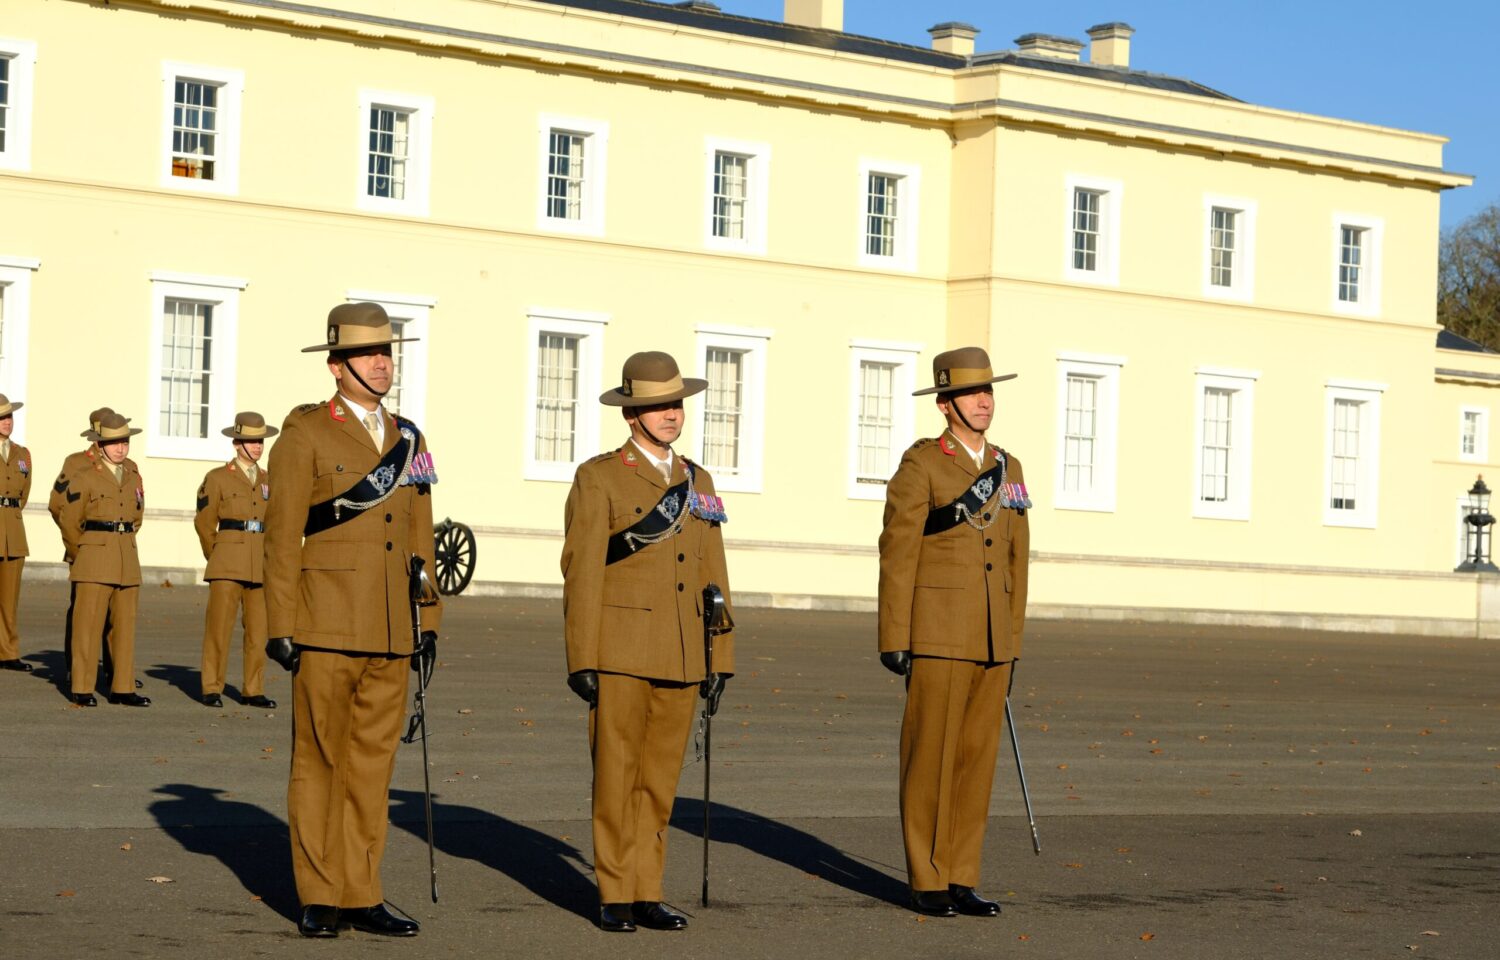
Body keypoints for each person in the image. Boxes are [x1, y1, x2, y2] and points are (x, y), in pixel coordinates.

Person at [263, 302, 441, 939]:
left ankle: (362, 890)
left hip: (393, 626)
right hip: (326, 621)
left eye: (388, 352)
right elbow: (281, 536)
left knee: (372, 767)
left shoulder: (410, 438)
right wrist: (279, 622)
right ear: (336, 366)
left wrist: (431, 617)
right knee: (318, 762)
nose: (382, 362)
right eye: (368, 354)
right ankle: (319, 893)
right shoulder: (306, 434)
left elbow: (421, 532)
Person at [561, 350, 735, 933]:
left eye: (676, 403)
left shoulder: (697, 479)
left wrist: (722, 653)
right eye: (657, 405)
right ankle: (613, 891)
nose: (670, 413)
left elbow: (715, 569)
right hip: (620, 648)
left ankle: (647, 889)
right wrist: (582, 656)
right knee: (616, 776)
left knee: (660, 781)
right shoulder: (600, 476)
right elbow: (581, 570)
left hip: (685, 649)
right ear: (631, 413)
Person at [877, 346, 1031, 918]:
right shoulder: (923, 466)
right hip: (937, 630)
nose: (984, 401)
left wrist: (1011, 637)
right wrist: (895, 634)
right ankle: (927, 877)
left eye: (988, 391)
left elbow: (1017, 557)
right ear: (945, 404)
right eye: (971, 394)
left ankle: (963, 874)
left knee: (974, 760)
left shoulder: (1008, 468)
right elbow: (898, 551)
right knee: (930, 758)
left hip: (992, 636)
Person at [59, 412, 151, 708]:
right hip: (94, 559)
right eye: (113, 443)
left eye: (124, 441)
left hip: (126, 557)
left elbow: (137, 516)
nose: (120, 448)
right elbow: (70, 520)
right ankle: (82, 686)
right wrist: (82, 553)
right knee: (87, 627)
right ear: (100, 444)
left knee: (125, 627)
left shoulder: (134, 475)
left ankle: (122, 687)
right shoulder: (85, 476)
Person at [194, 412, 278, 709]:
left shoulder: (271, 479)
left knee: (258, 632)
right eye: (252, 441)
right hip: (228, 560)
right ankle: (211, 686)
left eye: (261, 441)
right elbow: (204, 522)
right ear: (236, 443)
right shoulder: (217, 478)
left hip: (260, 562)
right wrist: (215, 553)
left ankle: (252, 689)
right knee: (219, 628)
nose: (257, 446)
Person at [49, 407, 120, 689]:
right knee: (83, 611)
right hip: (85, 546)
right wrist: (79, 543)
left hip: (115, 551)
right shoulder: (77, 463)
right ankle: (75, 668)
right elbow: (58, 505)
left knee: (116, 614)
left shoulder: (127, 467)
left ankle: (117, 673)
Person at [0, 394, 33, 673]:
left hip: (13, 529)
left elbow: (23, 495)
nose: (7, 422)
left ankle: (8, 652)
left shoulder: (22, 454)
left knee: (9, 598)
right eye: (2, 417)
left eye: (9, 416)